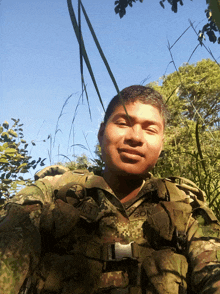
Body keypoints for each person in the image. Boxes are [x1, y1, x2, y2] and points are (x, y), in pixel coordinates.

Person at [1, 85, 220, 294]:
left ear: (161, 145)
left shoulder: (187, 208)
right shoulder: (51, 192)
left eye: (150, 129)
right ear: (101, 133)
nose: (135, 137)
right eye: (123, 123)